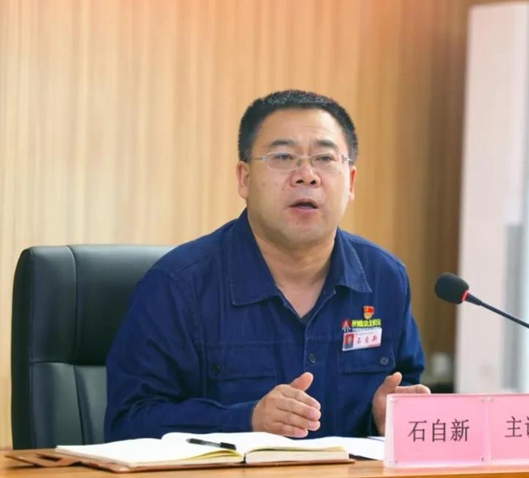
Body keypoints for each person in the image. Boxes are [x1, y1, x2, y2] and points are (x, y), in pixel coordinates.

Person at [104, 89, 429, 442]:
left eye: (324, 158)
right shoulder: (178, 285)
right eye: (284, 157)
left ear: (350, 182)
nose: (307, 175)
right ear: (244, 178)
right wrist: (247, 420)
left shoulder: (385, 279)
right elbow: (128, 422)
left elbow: (404, 391)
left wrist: (389, 419)